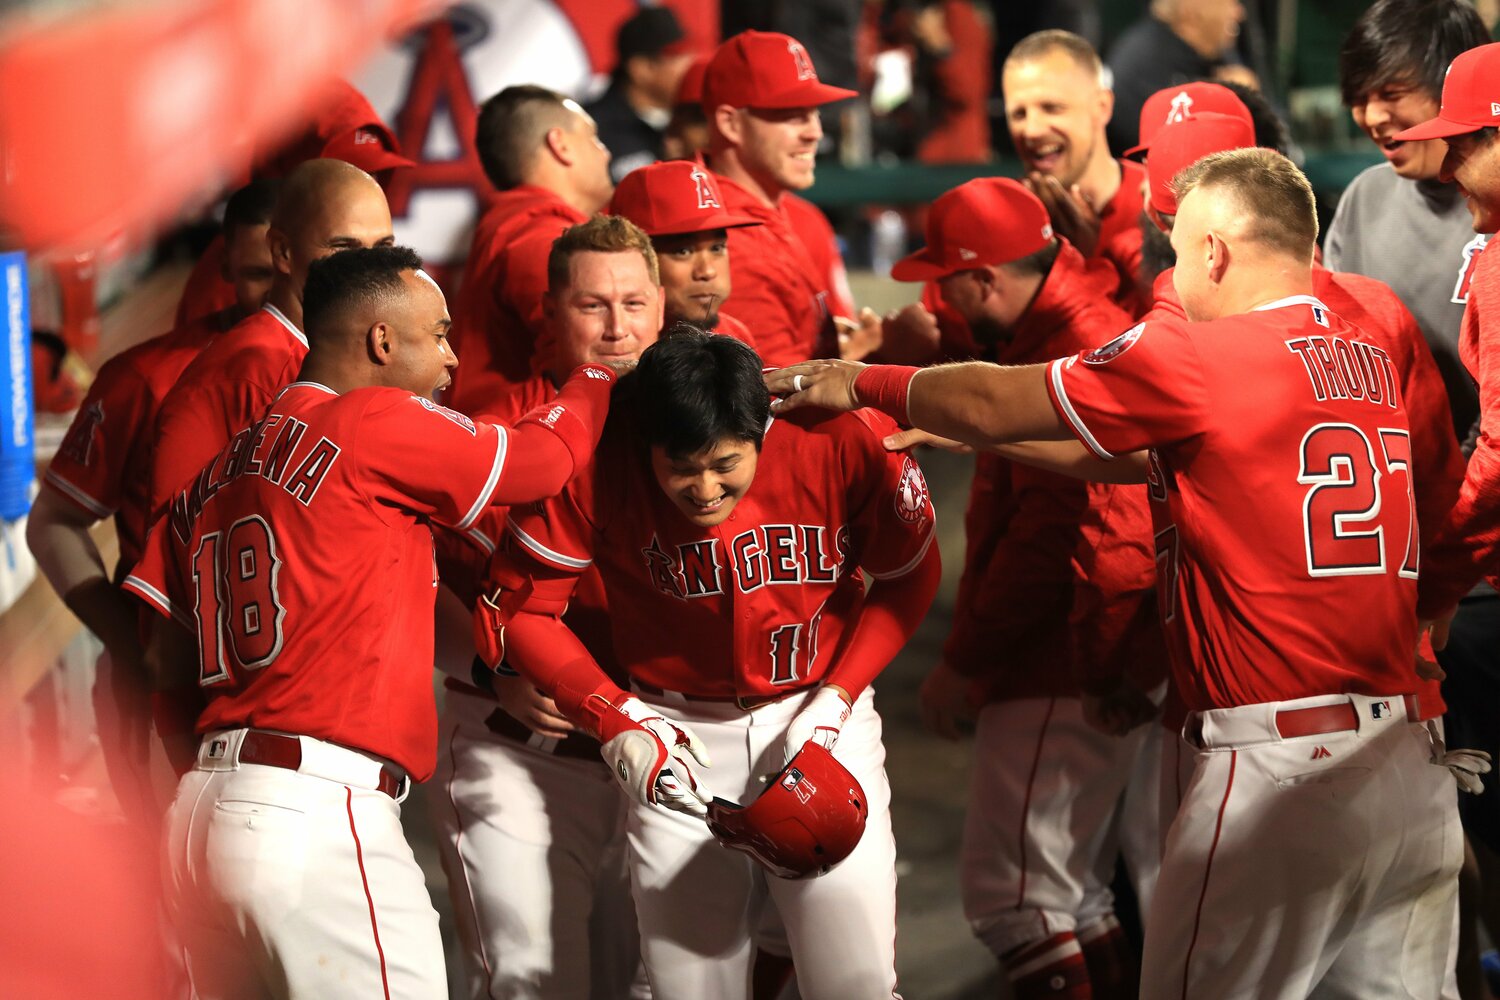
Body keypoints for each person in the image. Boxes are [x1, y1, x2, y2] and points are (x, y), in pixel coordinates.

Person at [769, 147, 1464, 999]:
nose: (1171, 275)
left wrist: (859, 381)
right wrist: (990, 436)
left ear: (1213, 252)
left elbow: (996, 396)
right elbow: (1154, 457)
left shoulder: (1204, 354)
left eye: (1179, 251)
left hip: (1283, 765)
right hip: (1406, 757)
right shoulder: (1366, 344)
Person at [121, 245, 617, 1000]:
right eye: (438, 334)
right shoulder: (370, 418)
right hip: (316, 813)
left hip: (204, 815)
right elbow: (540, 463)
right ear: (382, 340)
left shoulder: (222, 467)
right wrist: (596, 379)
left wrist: (489, 673)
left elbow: (171, 651)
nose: (451, 358)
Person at [477, 329, 940, 999]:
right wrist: (615, 716)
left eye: (725, 463)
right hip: (673, 731)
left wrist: (839, 699)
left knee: (856, 984)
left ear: (761, 430)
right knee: (690, 989)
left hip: (819, 719)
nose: (703, 488)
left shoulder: (839, 435)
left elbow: (910, 574)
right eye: (680, 466)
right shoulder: (602, 452)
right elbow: (522, 610)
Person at [892, 177, 1163, 999]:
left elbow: (1054, 541)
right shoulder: (1078, 321)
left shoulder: (1068, 347)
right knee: (1074, 896)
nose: (942, 300)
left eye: (947, 283)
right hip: (1098, 650)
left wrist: (967, 660)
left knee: (1015, 904)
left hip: (1063, 655)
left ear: (982, 279)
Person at [431, 215, 666, 1000]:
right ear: (551, 315)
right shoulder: (499, 437)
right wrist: (488, 669)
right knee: (534, 984)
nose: (617, 328)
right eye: (592, 306)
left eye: (634, 303)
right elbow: (415, 581)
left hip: (661, 751)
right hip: (521, 752)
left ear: (661, 307)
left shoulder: (699, 420)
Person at [28, 179, 278, 820]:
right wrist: (127, 641)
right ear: (224, 266)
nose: (276, 294)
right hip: (169, 692)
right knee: (164, 876)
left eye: (289, 271)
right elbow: (54, 521)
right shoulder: (147, 375)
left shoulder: (355, 382)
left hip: (294, 699)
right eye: (257, 274)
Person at [149, 159, 394, 517]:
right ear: (283, 252)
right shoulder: (236, 378)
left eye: (384, 247)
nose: (371, 269)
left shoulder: (376, 346)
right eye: (345, 248)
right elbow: (174, 533)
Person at [1326, 0, 1492, 444]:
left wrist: (1467, 474)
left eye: (1391, 94)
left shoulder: (1493, 208)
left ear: (1453, 87)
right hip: (1389, 466)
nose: (1372, 117)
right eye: (1360, 99)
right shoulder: (1364, 197)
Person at [174, 79, 411, 327]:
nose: (365, 191)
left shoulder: (358, 279)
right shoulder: (230, 287)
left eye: (372, 174)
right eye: (342, 177)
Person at [702, 30, 874, 366]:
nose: (815, 133)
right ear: (730, 124)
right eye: (794, 115)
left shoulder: (795, 215)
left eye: (815, 114)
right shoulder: (719, 238)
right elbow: (779, 388)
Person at [444, 85, 615, 413]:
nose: (605, 153)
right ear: (560, 144)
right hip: (523, 435)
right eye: (593, 138)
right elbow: (586, 354)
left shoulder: (514, 222)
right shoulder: (540, 233)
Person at [1002, 30, 1149, 315]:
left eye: (1052, 108)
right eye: (1018, 114)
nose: (1031, 130)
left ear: (1101, 107)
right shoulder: (995, 220)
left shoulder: (1162, 206)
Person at [607, 158, 760, 344]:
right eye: (683, 251)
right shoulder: (614, 345)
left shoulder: (733, 335)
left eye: (717, 248)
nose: (707, 271)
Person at [1105, 0, 1253, 154]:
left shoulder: (1214, 49)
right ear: (1190, 12)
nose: (1239, 14)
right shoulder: (1145, 66)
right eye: (1230, 4)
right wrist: (1238, 100)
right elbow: (1175, 154)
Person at [585, 6, 697, 183]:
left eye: (687, 53)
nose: (689, 63)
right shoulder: (590, 129)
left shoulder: (696, 118)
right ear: (641, 69)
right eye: (675, 56)